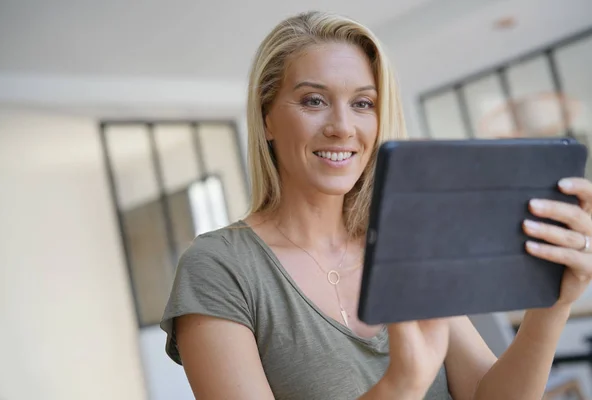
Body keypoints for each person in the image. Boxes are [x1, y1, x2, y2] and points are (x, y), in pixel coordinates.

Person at [160, 11, 592, 400]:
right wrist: (400, 385)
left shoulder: (406, 244)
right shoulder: (219, 268)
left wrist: (551, 306)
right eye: (314, 100)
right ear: (267, 117)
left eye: (363, 104)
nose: (343, 127)